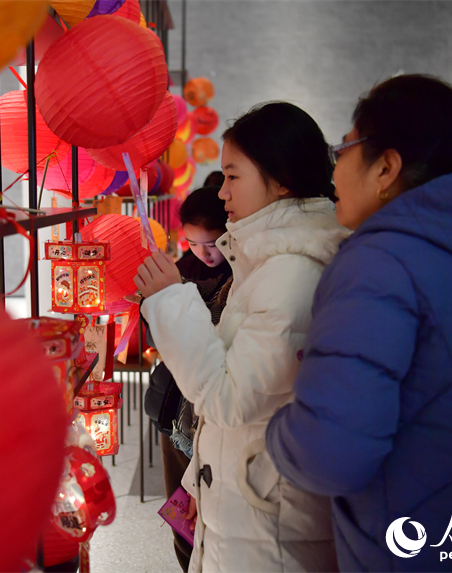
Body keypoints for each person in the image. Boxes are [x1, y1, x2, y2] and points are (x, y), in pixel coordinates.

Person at [265, 74, 452, 572]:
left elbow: (329, 452)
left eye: (342, 150)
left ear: (386, 167)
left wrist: (276, 428)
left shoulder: (378, 262)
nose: (333, 171)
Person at [134, 102, 349, 572]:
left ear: (282, 178)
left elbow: (230, 400)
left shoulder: (293, 273)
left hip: (268, 524)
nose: (223, 191)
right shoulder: (266, 261)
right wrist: (197, 484)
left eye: (233, 177)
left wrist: (173, 299)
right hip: (246, 501)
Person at [144, 185, 232, 572]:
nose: (204, 253)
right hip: (175, 409)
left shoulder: (242, 276)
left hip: (213, 414)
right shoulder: (177, 271)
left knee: (213, 517)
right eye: (194, 243)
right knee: (182, 514)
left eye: (211, 243)